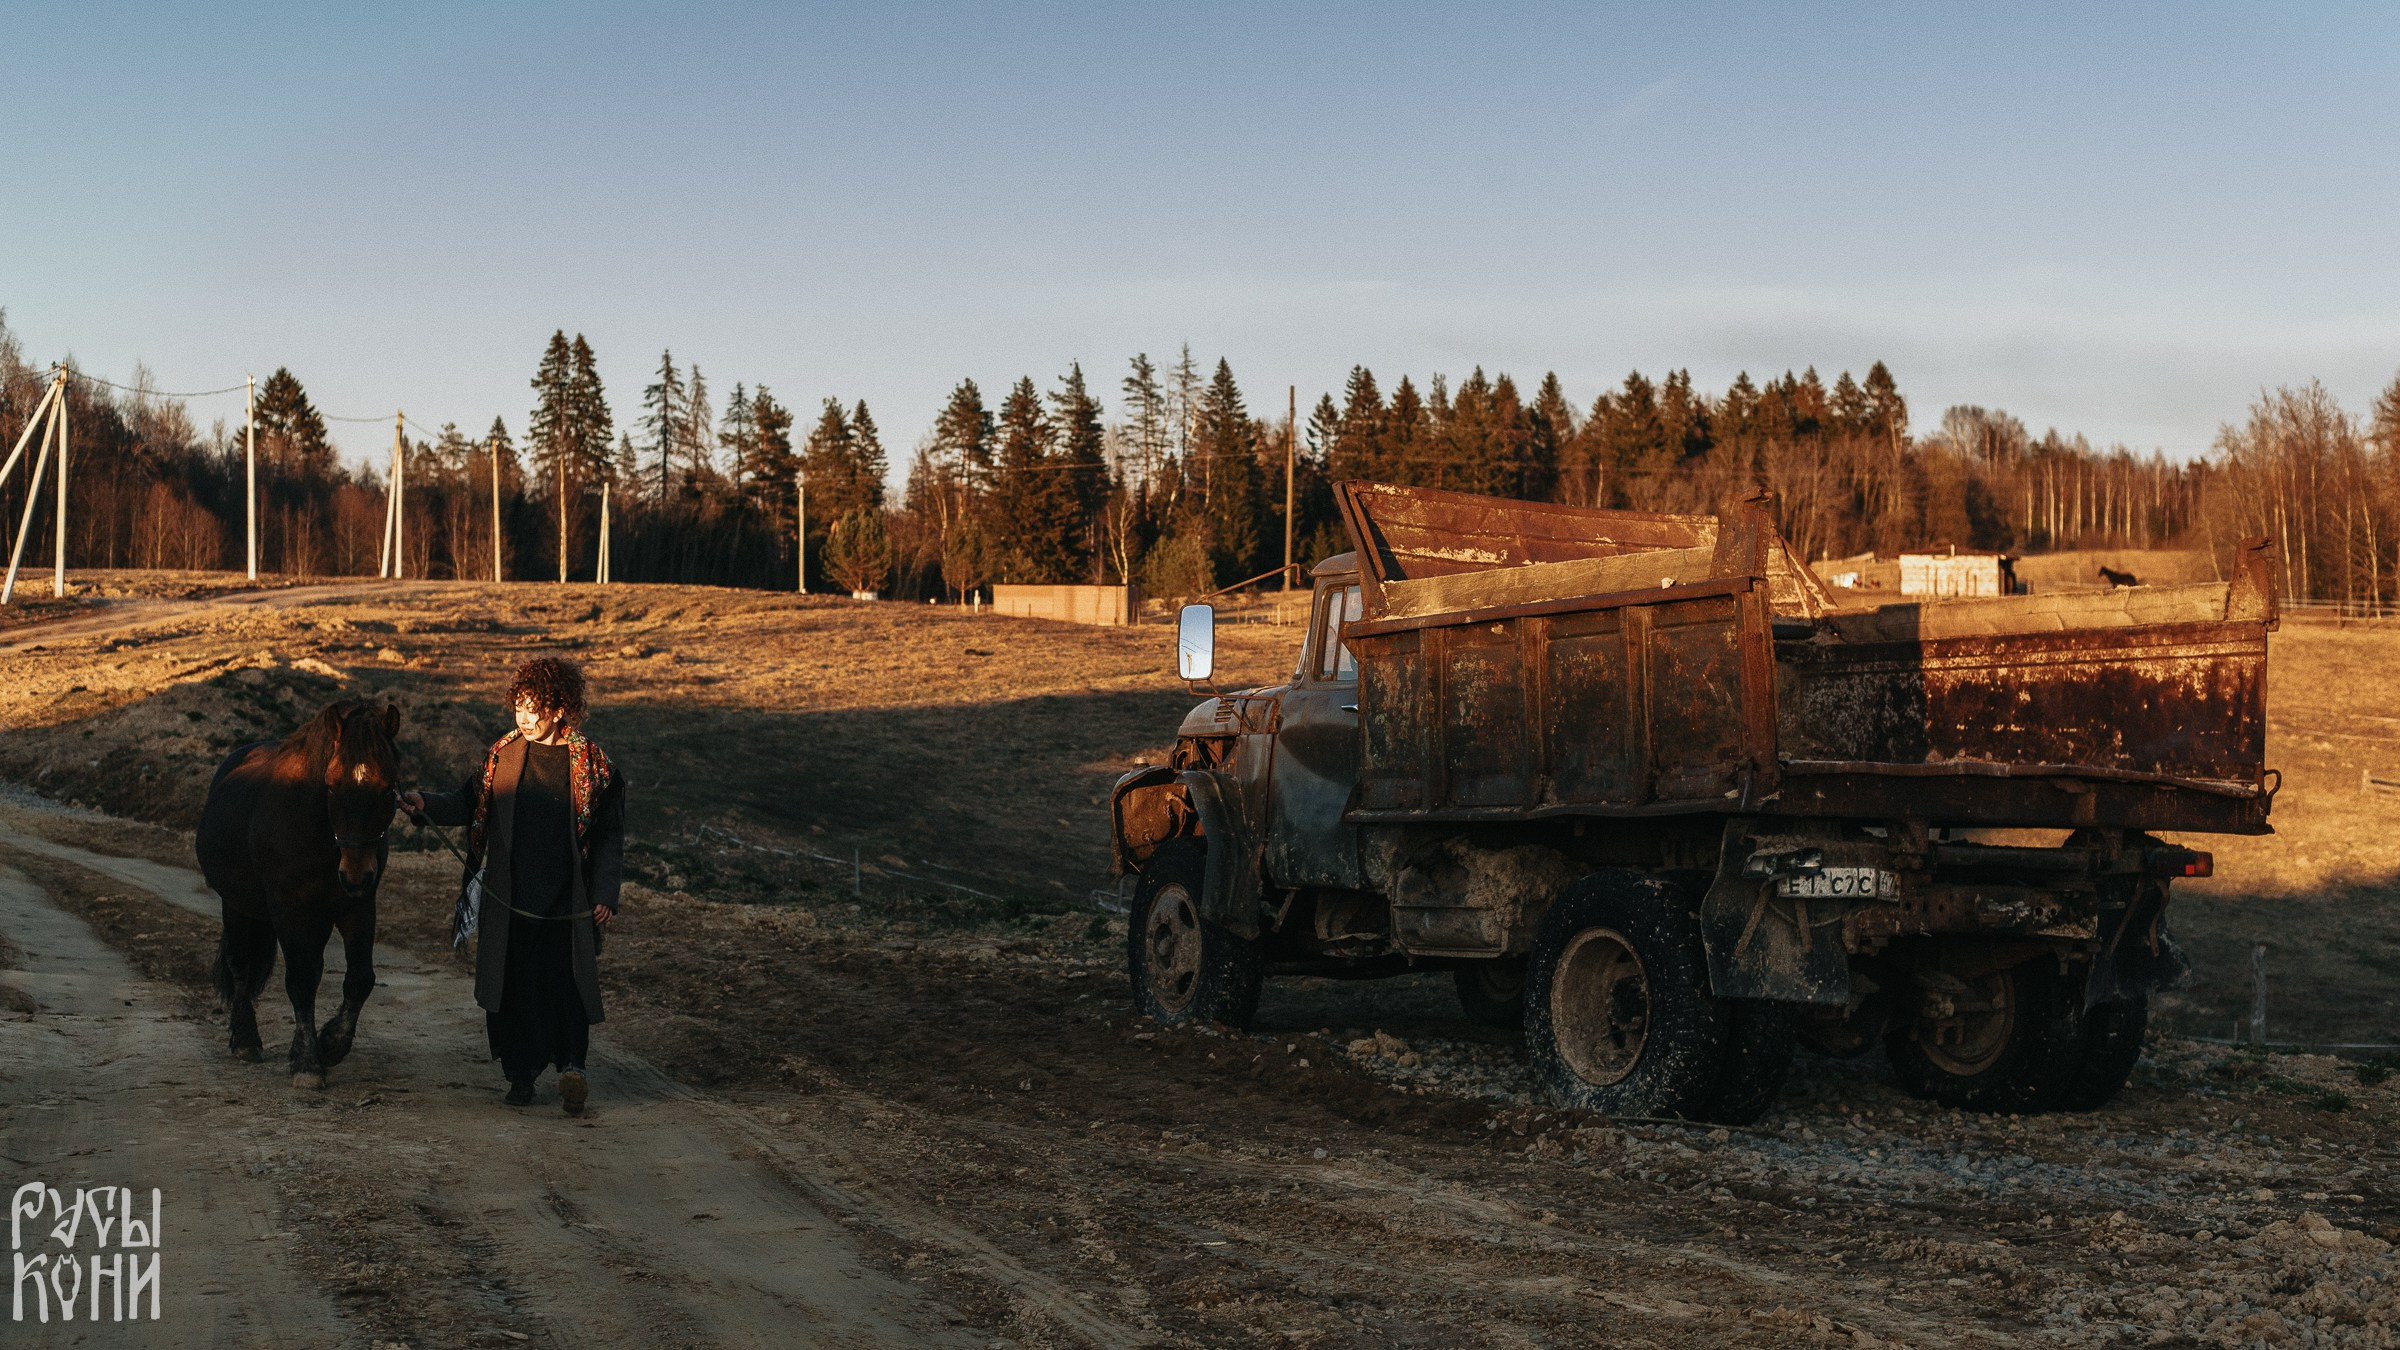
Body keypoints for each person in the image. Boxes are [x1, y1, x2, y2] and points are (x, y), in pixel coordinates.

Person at [402, 657, 623, 1113]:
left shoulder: (594, 767)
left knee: (566, 985)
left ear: (560, 710)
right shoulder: (502, 753)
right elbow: (468, 802)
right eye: (518, 706)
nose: (523, 716)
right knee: (514, 989)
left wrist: (605, 892)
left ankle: (572, 1069)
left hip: (566, 901)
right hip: (510, 899)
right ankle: (520, 1078)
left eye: (533, 707)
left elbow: (609, 837)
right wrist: (426, 803)